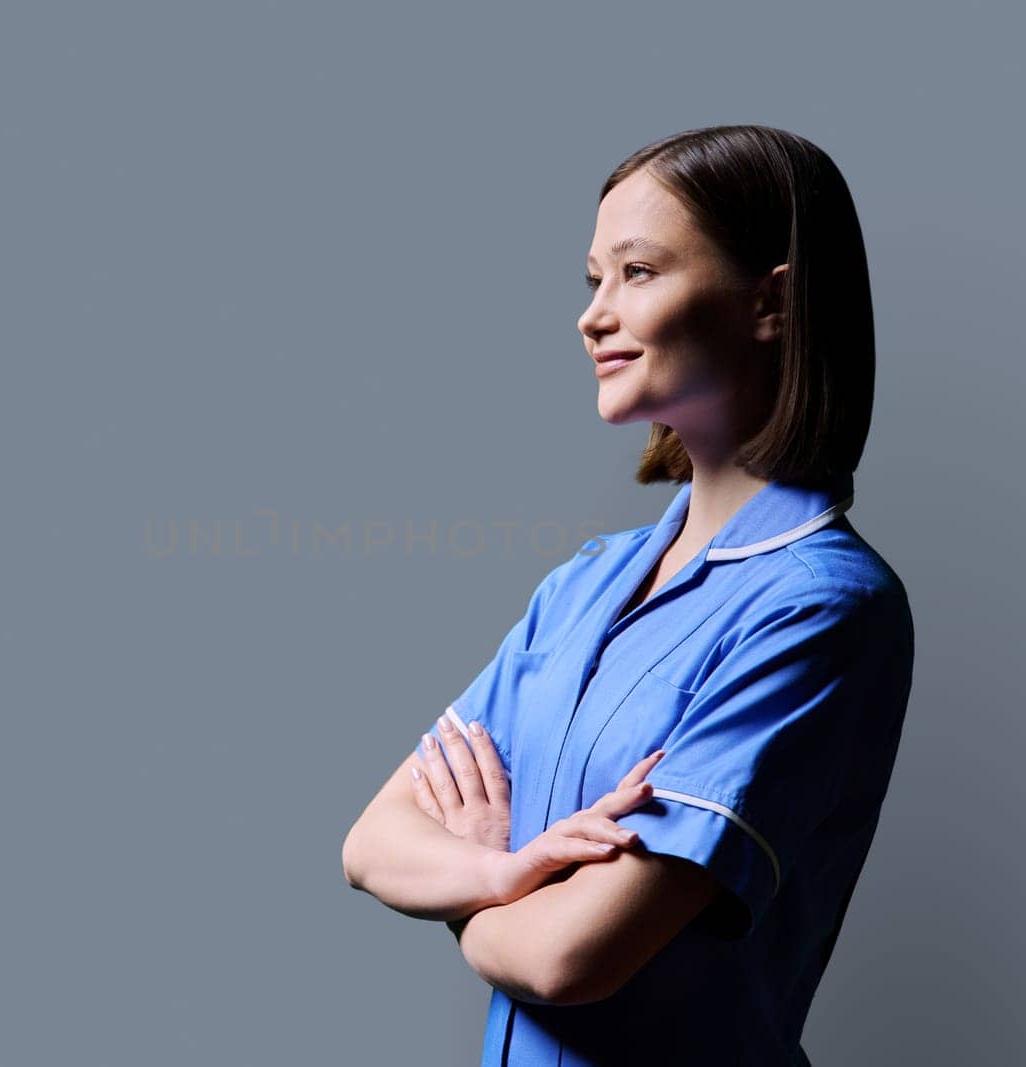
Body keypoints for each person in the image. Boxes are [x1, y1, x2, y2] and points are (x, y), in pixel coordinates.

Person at [341, 125, 916, 1066]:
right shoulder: (584, 581)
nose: (592, 315)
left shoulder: (821, 609)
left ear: (770, 301)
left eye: (639, 272)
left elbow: (572, 957)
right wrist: (509, 871)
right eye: (592, 279)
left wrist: (469, 901)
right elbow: (372, 841)